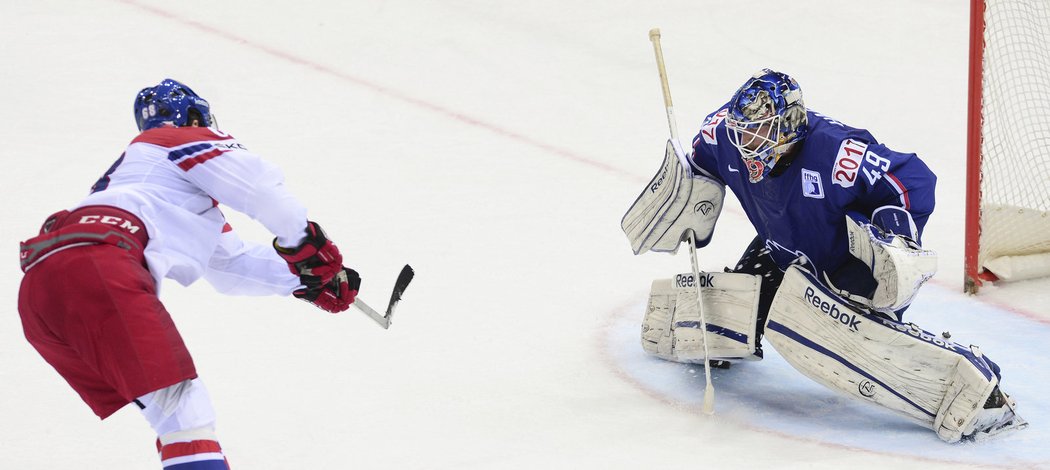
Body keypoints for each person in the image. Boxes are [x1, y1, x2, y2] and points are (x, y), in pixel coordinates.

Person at [623, 69, 1025, 442]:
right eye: (743, 134)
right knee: (724, 316)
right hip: (783, 250)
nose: (747, 146)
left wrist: (896, 240)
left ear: (788, 127)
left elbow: (913, 181)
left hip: (848, 265)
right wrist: (687, 190)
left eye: (758, 135)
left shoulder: (838, 153)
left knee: (834, 339)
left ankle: (981, 394)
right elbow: (701, 163)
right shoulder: (722, 135)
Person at [17, 78, 361, 469]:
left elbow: (230, 266)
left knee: (177, 419)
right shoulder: (172, 141)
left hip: (41, 289)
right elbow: (264, 192)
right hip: (99, 268)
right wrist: (309, 248)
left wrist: (305, 280)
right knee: (186, 415)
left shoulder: (151, 185)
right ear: (194, 116)